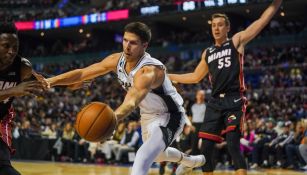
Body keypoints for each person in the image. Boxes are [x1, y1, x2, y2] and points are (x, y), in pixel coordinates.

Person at [41, 22, 205, 175]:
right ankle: (192, 161)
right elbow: (82, 73)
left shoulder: (149, 71)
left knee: (143, 155)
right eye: (125, 40)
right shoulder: (116, 60)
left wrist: (111, 121)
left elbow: (131, 101)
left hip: (170, 115)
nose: (127, 46)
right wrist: (50, 81)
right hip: (147, 115)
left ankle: (190, 161)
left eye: (133, 43)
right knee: (157, 155)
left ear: (144, 45)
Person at [169, 1, 282, 174]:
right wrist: (168, 76)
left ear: (227, 27)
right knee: (205, 148)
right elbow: (194, 76)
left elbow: (261, 21)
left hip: (234, 98)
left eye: (220, 25)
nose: (216, 28)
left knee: (232, 144)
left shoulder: (236, 41)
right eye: (213, 25)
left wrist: (276, 3)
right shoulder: (208, 52)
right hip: (215, 102)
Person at [0, 22, 45, 175]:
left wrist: (69, 85)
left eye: (15, 47)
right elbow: (14, 90)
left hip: (0, 119)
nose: (12, 51)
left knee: (3, 166)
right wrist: (13, 90)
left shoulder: (22, 66)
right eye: (6, 46)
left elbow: (41, 80)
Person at [190, 90, 206, 155]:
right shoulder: (192, 106)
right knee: (194, 144)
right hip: (194, 126)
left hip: (203, 126)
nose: (201, 96)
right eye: (199, 94)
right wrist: (190, 125)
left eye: (202, 95)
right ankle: (194, 163)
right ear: (196, 96)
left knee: (203, 145)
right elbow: (190, 117)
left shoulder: (206, 106)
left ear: (204, 96)